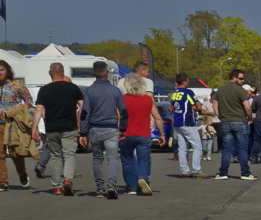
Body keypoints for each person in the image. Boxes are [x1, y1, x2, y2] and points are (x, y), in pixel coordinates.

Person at [32, 61, 84, 196]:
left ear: (50, 73)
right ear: (63, 73)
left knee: (55, 156)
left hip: (51, 128)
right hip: (69, 127)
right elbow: (82, 105)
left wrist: (34, 129)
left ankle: (57, 187)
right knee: (69, 155)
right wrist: (81, 122)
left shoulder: (44, 90)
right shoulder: (73, 88)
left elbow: (39, 109)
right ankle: (67, 180)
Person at [80, 60, 127, 198]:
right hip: (111, 129)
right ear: (106, 73)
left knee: (97, 158)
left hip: (95, 129)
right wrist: (123, 128)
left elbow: (85, 113)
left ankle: (100, 189)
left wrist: (83, 132)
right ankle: (112, 185)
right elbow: (123, 111)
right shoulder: (115, 90)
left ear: (94, 73)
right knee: (112, 158)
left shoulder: (88, 91)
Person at [119, 62, 165, 196]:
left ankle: (131, 187)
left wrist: (118, 131)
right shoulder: (147, 100)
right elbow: (157, 117)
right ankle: (143, 179)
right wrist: (162, 134)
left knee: (127, 160)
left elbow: (117, 116)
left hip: (127, 134)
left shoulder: (123, 99)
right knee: (144, 160)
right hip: (143, 134)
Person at [213, 68, 254, 181]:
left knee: (226, 149)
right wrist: (249, 118)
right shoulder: (240, 90)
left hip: (225, 121)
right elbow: (247, 106)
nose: (242, 81)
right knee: (242, 149)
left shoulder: (220, 90)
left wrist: (219, 115)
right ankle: (245, 173)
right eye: (241, 78)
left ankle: (223, 173)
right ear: (234, 77)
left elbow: (214, 103)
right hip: (240, 121)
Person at [0, 74, 35, 190]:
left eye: (1, 69)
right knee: (0, 154)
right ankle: (2, 181)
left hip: (12, 123)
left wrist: (19, 111)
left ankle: (22, 173)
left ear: (7, 70)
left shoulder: (16, 85)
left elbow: (29, 101)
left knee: (15, 152)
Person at [168, 73, 204, 178]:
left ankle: (185, 171)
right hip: (187, 122)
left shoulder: (174, 93)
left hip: (177, 122)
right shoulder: (188, 92)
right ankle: (196, 170)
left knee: (182, 148)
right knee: (197, 146)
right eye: (187, 81)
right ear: (184, 81)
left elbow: (172, 108)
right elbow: (198, 106)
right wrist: (198, 108)